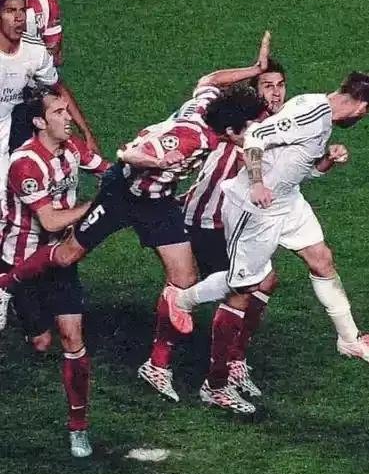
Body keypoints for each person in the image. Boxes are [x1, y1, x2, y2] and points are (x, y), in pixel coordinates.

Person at [0, 65, 267, 405]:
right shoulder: (190, 138)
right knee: (67, 255)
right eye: (249, 129)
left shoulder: (206, 106)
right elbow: (127, 153)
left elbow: (209, 80)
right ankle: (6, 285)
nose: (252, 136)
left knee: (184, 279)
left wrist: (255, 69)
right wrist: (157, 163)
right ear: (230, 130)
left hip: (158, 203)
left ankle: (157, 366)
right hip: (122, 196)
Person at [163, 72, 369, 404]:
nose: (364, 116)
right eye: (367, 111)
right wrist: (257, 182)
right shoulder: (310, 113)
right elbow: (255, 136)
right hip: (256, 206)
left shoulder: (322, 115)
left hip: (287, 199)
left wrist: (327, 161)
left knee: (322, 259)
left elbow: (296, 167)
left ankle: (349, 339)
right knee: (242, 286)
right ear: (360, 105)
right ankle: (184, 306)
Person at [0, 91, 109, 457]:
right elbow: (49, 220)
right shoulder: (25, 164)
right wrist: (96, 206)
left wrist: (145, 167)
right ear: (39, 122)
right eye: (60, 112)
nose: (69, 117)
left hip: (60, 261)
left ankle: (78, 427)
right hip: (21, 262)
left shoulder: (72, 148)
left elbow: (109, 171)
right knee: (41, 343)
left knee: (72, 339)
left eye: (67, 111)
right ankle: (11, 299)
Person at [183, 59, 288, 400]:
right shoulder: (234, 119)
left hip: (236, 224)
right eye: (267, 86)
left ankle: (234, 361)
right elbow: (208, 81)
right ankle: (216, 382)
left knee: (265, 281)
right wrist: (254, 68)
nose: (276, 93)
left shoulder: (280, 127)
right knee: (240, 291)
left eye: (280, 85)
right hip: (207, 221)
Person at [0, 0, 96, 205]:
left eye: (22, 11)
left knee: (5, 202)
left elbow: (58, 88)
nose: (18, 18)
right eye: (10, 11)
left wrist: (86, 133)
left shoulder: (34, 51)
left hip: (5, 129)